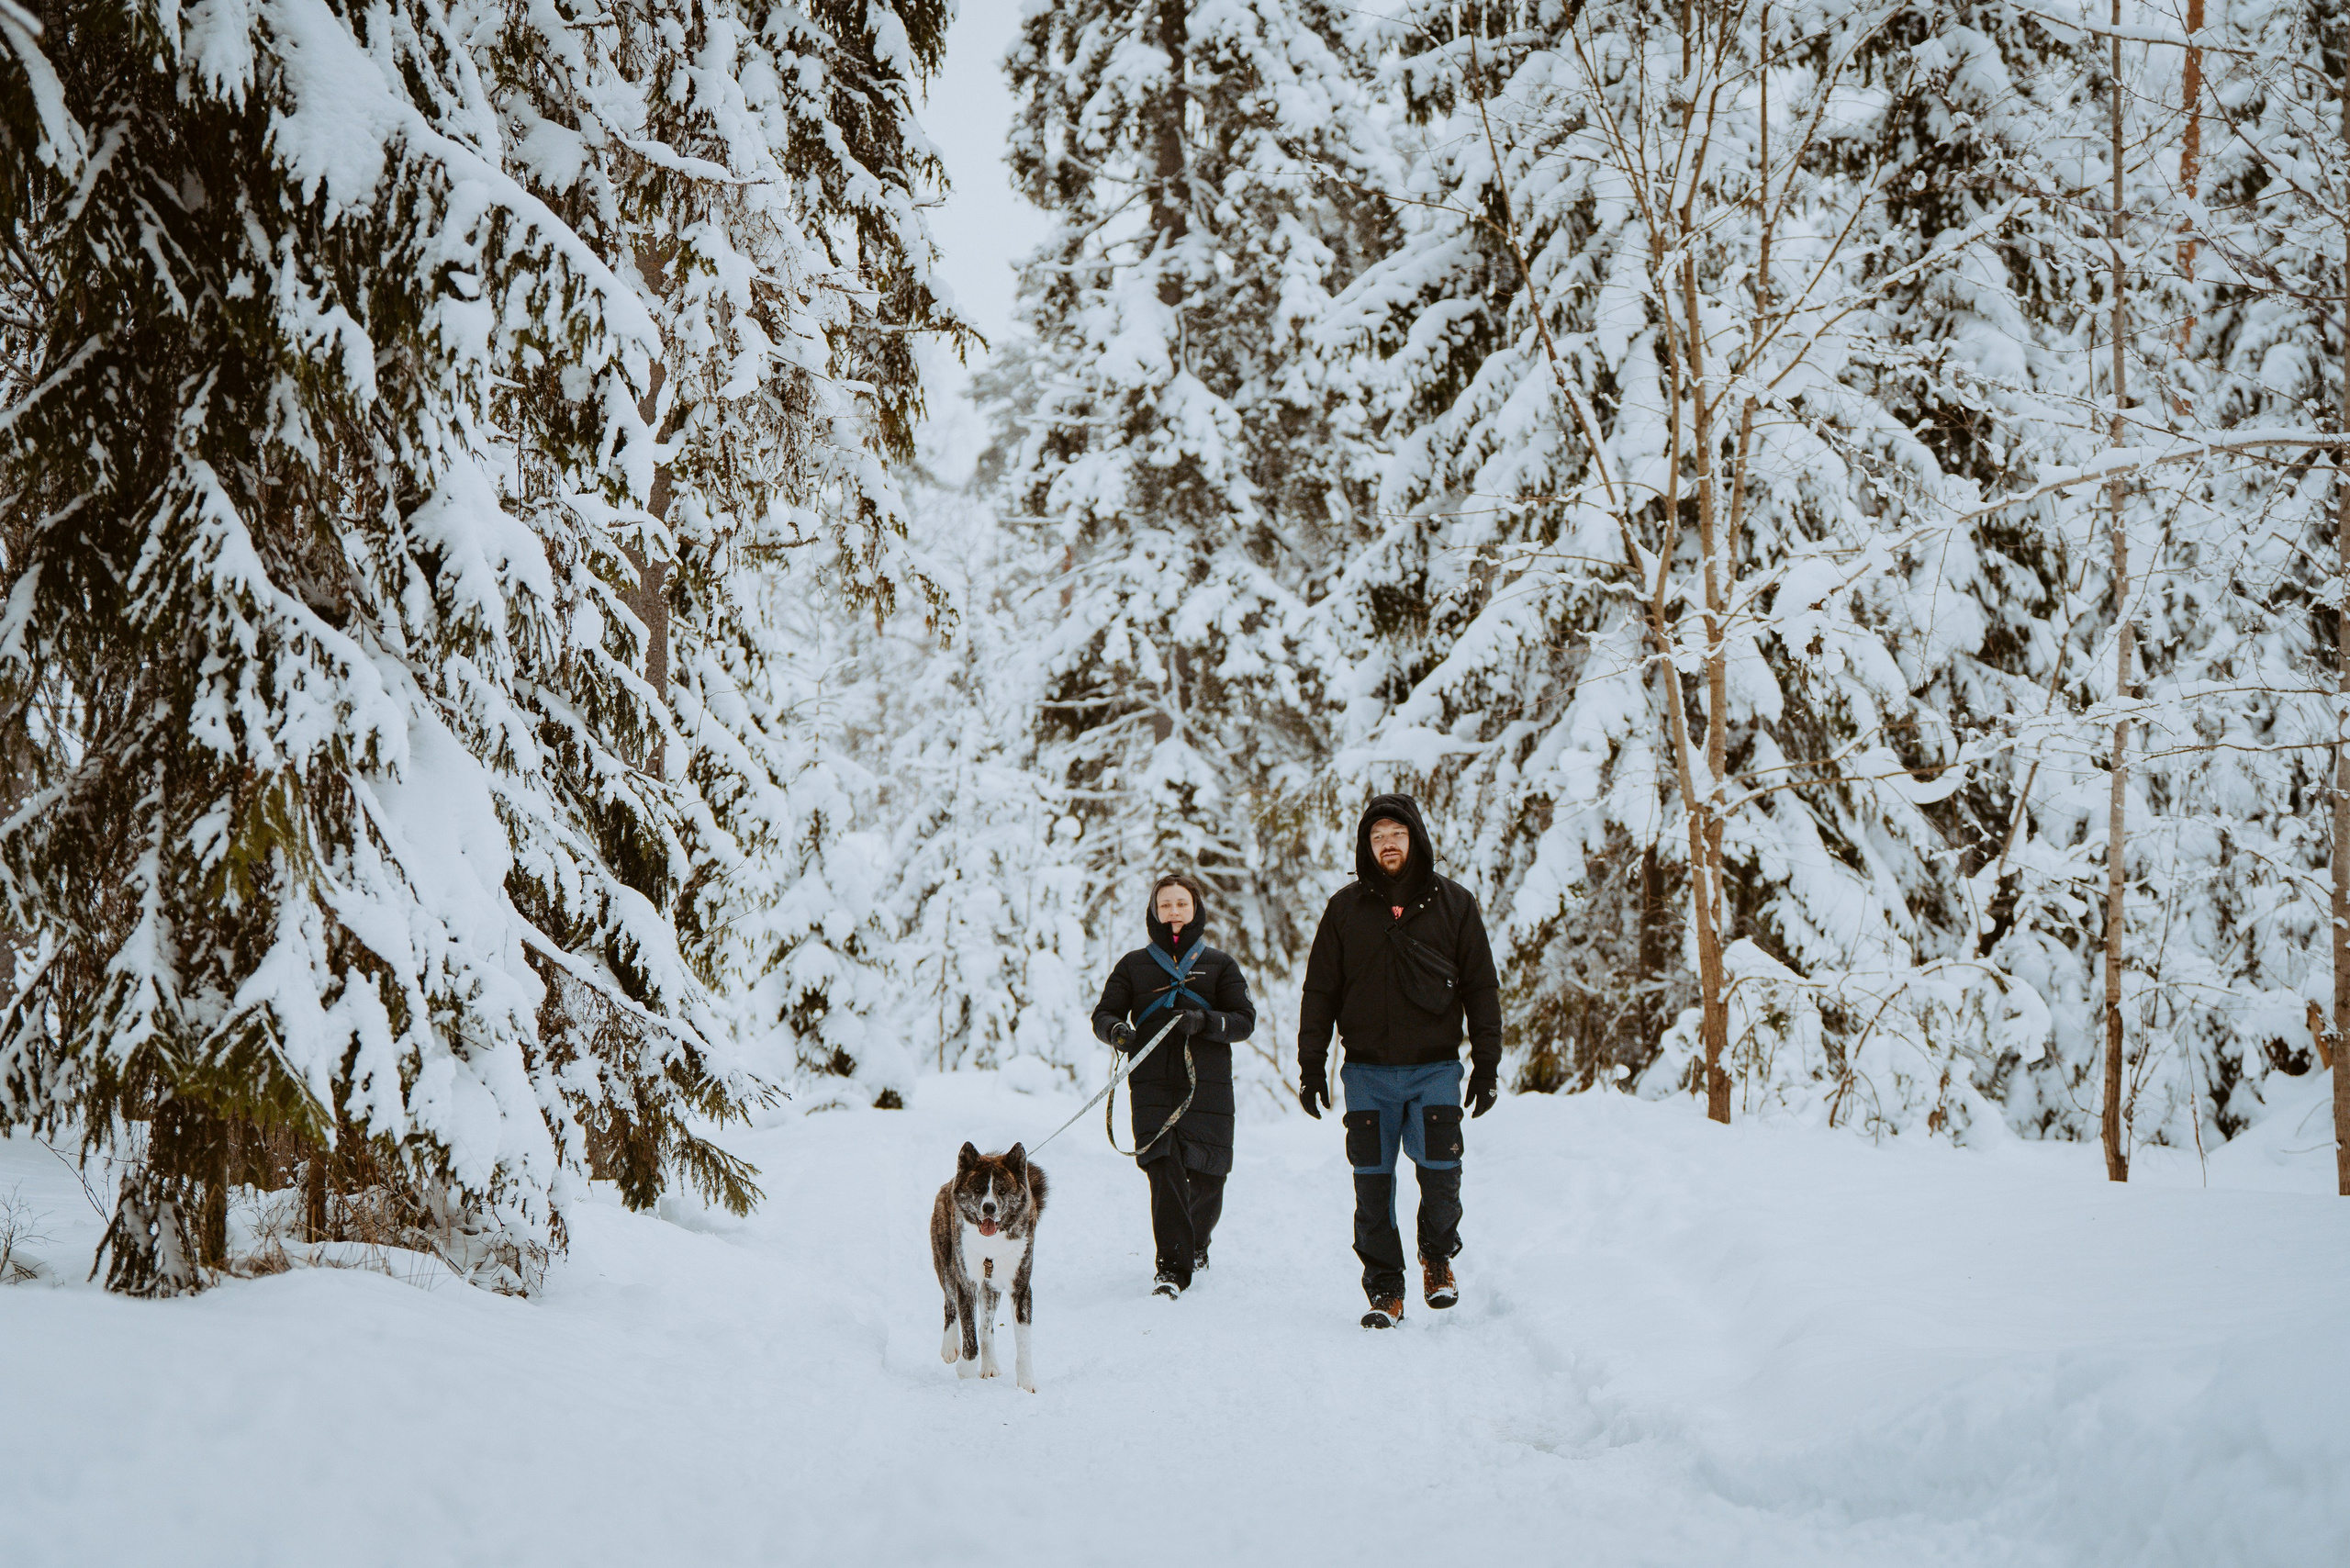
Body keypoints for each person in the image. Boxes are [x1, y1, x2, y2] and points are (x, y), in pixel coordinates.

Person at [1296, 794, 1502, 1328]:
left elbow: (1481, 988)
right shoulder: (1344, 909)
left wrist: (1487, 1066)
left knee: (1442, 1177)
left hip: (1436, 1069)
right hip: (1366, 1073)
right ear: (1366, 846)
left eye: (1397, 834)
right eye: (1377, 836)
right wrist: (1312, 1065)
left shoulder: (1455, 904)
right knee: (1372, 1187)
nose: (1387, 844)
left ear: (1416, 839)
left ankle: (1437, 1259)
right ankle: (1385, 1290)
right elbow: (1320, 991)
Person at [1091, 872, 1257, 1299]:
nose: (1174, 912)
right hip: (1152, 1085)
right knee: (1163, 1169)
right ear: (1154, 912)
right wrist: (1116, 1031)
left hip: (1208, 1086)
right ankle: (1172, 1268)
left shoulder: (1221, 964)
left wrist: (1207, 1021)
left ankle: (1196, 1245)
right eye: (1165, 905)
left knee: (1207, 1175)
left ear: (1196, 908)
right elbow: (1104, 1014)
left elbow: (1244, 1021)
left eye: (1181, 903)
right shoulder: (1133, 965)